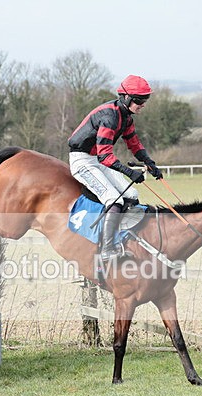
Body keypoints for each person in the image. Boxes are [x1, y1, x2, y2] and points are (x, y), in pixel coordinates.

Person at [68, 74, 164, 262]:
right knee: (114, 200)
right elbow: (105, 155)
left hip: (96, 160)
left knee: (132, 195)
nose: (142, 104)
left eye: (145, 100)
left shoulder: (126, 118)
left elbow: (135, 145)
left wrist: (150, 163)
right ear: (126, 97)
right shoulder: (110, 117)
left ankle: (123, 238)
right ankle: (106, 249)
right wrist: (129, 172)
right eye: (139, 100)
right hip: (82, 161)